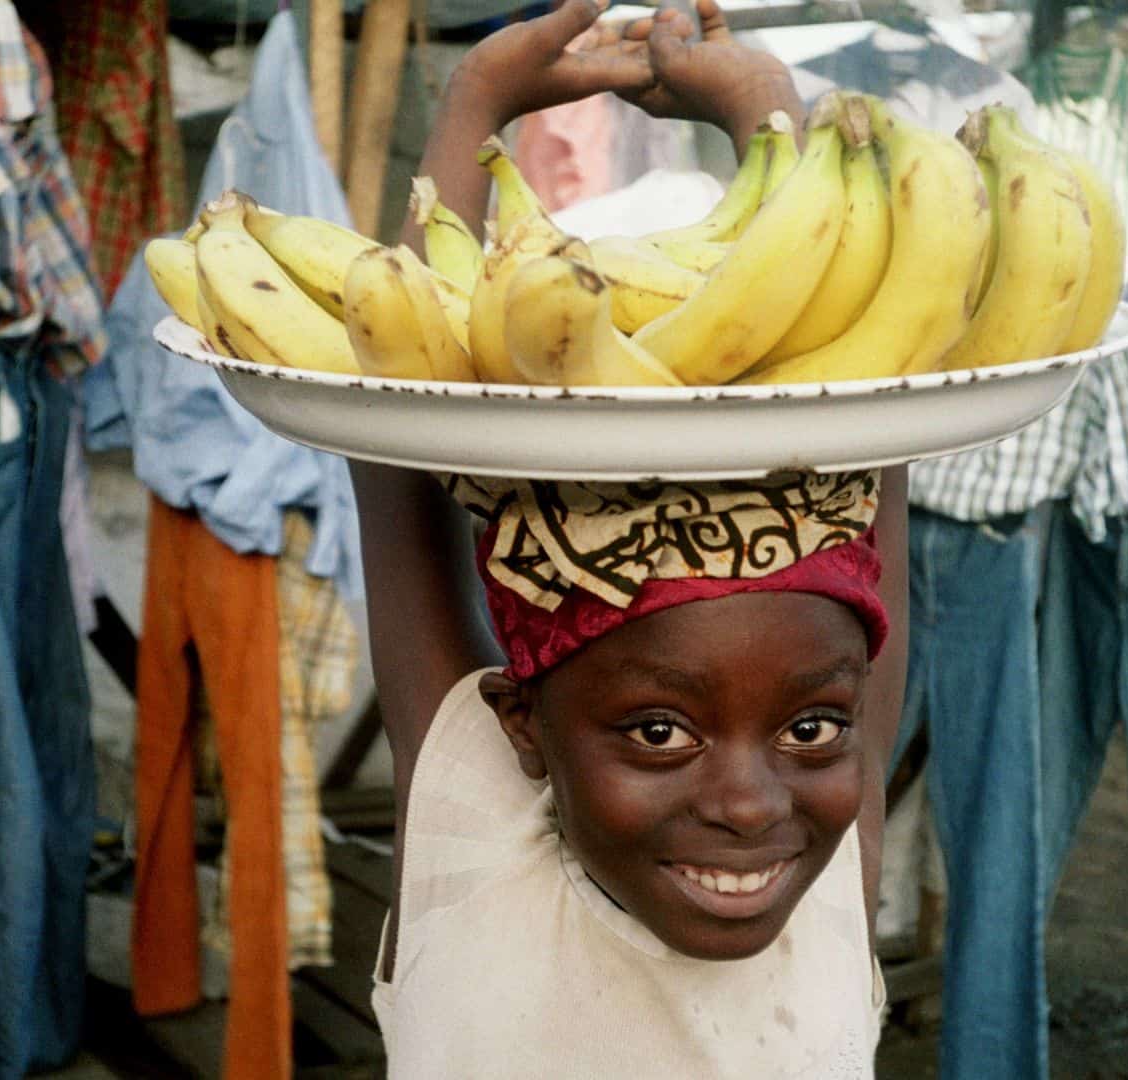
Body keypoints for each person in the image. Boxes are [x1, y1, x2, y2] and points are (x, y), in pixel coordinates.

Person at [356, 2, 910, 1073]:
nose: (749, 805)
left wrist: (771, 118)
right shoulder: (476, 876)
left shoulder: (830, 891)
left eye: (810, 728)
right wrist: (475, 103)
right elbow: (391, 440)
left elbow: (874, 390)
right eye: (659, 732)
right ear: (523, 725)